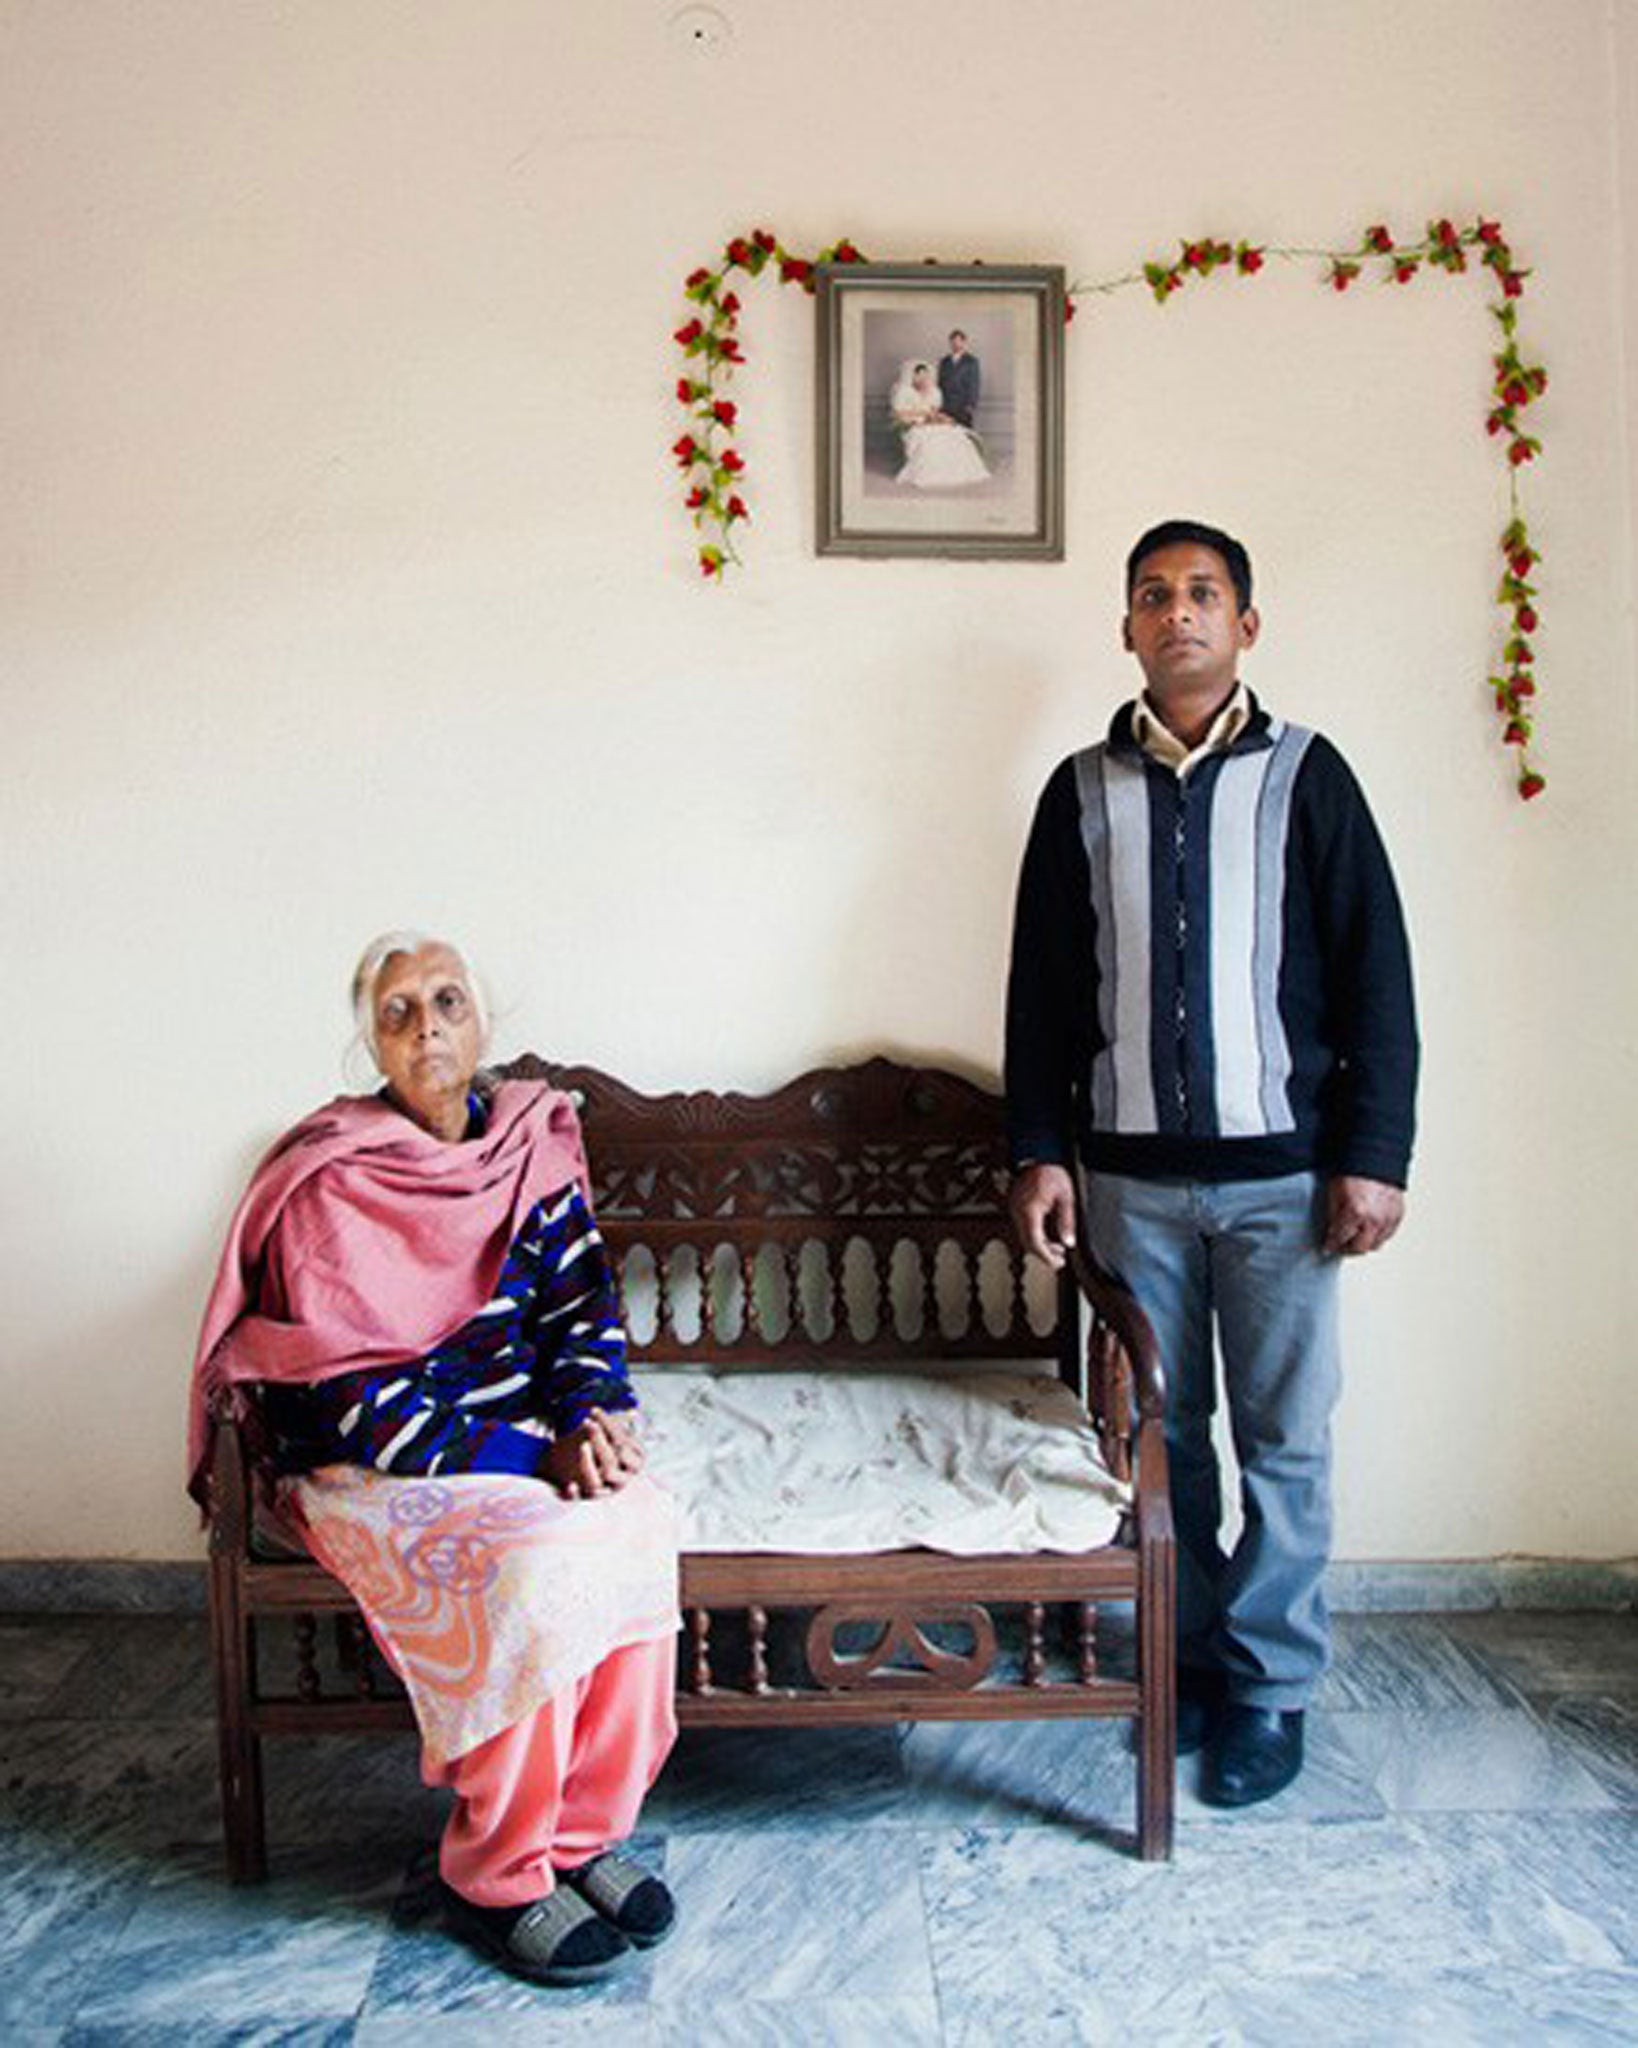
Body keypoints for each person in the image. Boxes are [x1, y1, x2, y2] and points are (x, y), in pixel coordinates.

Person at [1004, 521, 1417, 1807]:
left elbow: (1377, 976)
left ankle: (1272, 1689)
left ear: (1246, 621)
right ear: (1126, 627)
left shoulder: (1309, 778)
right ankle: (1181, 1663)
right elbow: (1042, 995)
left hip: (1285, 1185)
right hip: (1130, 1179)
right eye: (1152, 595)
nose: (1178, 613)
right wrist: (1040, 1151)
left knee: (1285, 1437)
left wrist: (1372, 1153)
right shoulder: (1081, 791)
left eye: (1203, 593)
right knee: (1163, 1435)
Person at [189, 932, 680, 1985]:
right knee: (531, 1562)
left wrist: (595, 1421)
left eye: (447, 1000)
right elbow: (348, 1396)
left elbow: (580, 1311)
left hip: (527, 1450)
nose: (427, 1026)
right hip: (375, 1468)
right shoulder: (331, 1178)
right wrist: (535, 1457)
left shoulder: (531, 1144)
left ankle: (582, 1834)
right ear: (369, 1037)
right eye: (398, 1010)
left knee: (638, 1519)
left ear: (484, 1019)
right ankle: (496, 1868)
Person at [889, 360, 989, 489]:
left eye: (925, 375)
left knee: (954, 435)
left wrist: (942, 418)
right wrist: (918, 417)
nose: (922, 379)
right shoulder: (904, 392)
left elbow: (934, 412)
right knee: (930, 440)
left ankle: (953, 472)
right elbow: (899, 414)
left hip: (930, 422)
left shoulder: (933, 392)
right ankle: (929, 473)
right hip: (912, 422)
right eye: (919, 375)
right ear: (912, 376)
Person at [937, 329, 981, 429]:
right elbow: (940, 383)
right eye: (953, 342)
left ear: (964, 342)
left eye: (958, 341)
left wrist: (971, 405)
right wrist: (939, 403)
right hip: (946, 405)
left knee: (964, 435)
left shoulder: (971, 361)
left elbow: (975, 384)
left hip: (963, 405)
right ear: (950, 343)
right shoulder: (944, 361)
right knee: (946, 434)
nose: (956, 344)